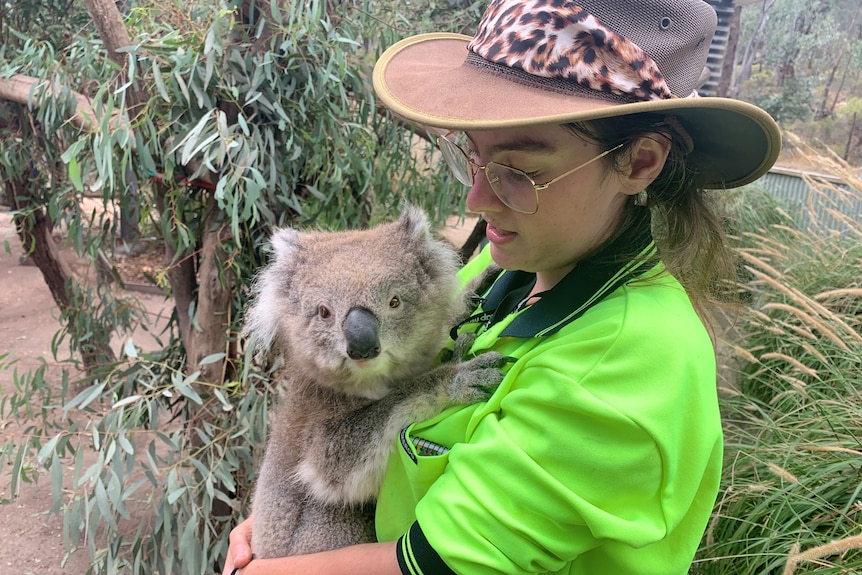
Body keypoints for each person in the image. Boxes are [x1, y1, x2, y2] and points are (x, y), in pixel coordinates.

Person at [222, 0, 780, 573]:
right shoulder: (505, 269)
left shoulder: (631, 359)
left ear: (639, 162)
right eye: (474, 157)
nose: (476, 200)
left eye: (520, 170)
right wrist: (272, 519)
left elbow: (436, 563)